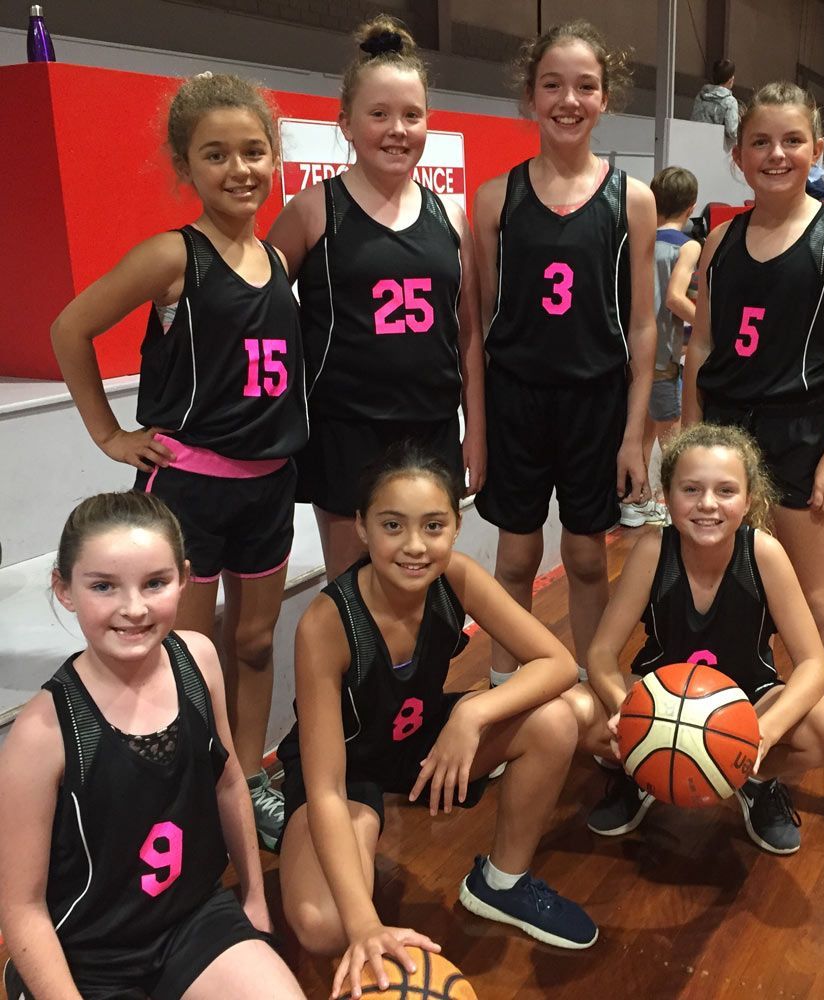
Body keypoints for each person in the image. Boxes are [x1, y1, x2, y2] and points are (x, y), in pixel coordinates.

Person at [50, 73, 309, 850]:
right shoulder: (172, 256)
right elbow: (70, 328)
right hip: (189, 489)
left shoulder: (274, 257)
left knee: (257, 643)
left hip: (271, 487)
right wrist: (108, 434)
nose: (239, 169)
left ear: (276, 159)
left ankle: (250, 775)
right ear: (186, 167)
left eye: (254, 151)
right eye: (216, 154)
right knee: (185, 655)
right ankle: (187, 787)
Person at [276, 443, 597, 999]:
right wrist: (365, 927)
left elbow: (559, 664)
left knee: (559, 719)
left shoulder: (457, 576)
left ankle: (501, 882)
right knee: (324, 924)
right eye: (392, 525)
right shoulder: (326, 622)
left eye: (433, 525)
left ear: (455, 526)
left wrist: (472, 712)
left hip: (420, 738)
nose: (415, 546)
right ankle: (348, 856)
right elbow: (326, 788)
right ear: (361, 526)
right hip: (346, 771)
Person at [682, 81, 824, 852]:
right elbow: (703, 350)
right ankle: (760, 769)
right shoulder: (718, 241)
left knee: (817, 605)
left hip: (802, 436)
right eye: (760, 142)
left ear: (816, 148)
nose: (776, 154)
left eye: (792, 141)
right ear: (739, 154)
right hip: (727, 441)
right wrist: (688, 438)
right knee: (737, 608)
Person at [0, 492, 304, 1000]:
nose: (134, 609)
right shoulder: (42, 733)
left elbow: (230, 783)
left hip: (193, 922)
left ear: (184, 579)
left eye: (156, 583)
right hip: (89, 956)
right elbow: (21, 908)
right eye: (104, 586)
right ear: (65, 588)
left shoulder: (200, 659)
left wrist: (253, 897)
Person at [565, 425, 824, 853]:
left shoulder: (764, 552)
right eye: (691, 489)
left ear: (749, 499)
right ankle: (644, 772)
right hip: (661, 702)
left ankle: (754, 779)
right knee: (569, 712)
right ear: (667, 497)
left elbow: (815, 665)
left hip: (749, 702)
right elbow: (600, 653)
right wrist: (628, 712)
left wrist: (762, 733)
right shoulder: (653, 551)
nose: (708, 504)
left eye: (726, 490)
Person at [267, 16, 485, 583]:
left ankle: (419, 676)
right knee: (353, 587)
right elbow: (253, 303)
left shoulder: (452, 217)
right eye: (379, 114)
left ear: (428, 123)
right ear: (346, 123)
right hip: (345, 430)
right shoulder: (315, 210)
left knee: (424, 579)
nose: (397, 129)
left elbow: (467, 335)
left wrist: (475, 428)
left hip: (433, 428)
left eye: (412, 115)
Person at [473, 20, 657, 692]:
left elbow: (643, 328)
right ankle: (503, 690)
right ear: (530, 96)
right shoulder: (495, 200)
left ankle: (594, 687)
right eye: (552, 84)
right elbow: (484, 324)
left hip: (596, 402)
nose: (568, 99)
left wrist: (634, 435)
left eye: (585, 86)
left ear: (605, 98)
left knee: (584, 557)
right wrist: (481, 428)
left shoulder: (631, 200)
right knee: (517, 557)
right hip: (517, 400)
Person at [621, 166, 701, 529]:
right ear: (691, 207)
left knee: (644, 430)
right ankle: (679, 510)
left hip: (631, 352)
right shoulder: (688, 246)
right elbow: (674, 298)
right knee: (674, 441)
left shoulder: (639, 239)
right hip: (662, 356)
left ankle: (635, 500)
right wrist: (709, 325)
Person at [691, 58, 739, 149]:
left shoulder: (700, 96)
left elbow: (694, 120)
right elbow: (732, 132)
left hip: (696, 144)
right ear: (731, 79)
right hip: (716, 149)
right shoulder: (730, 102)